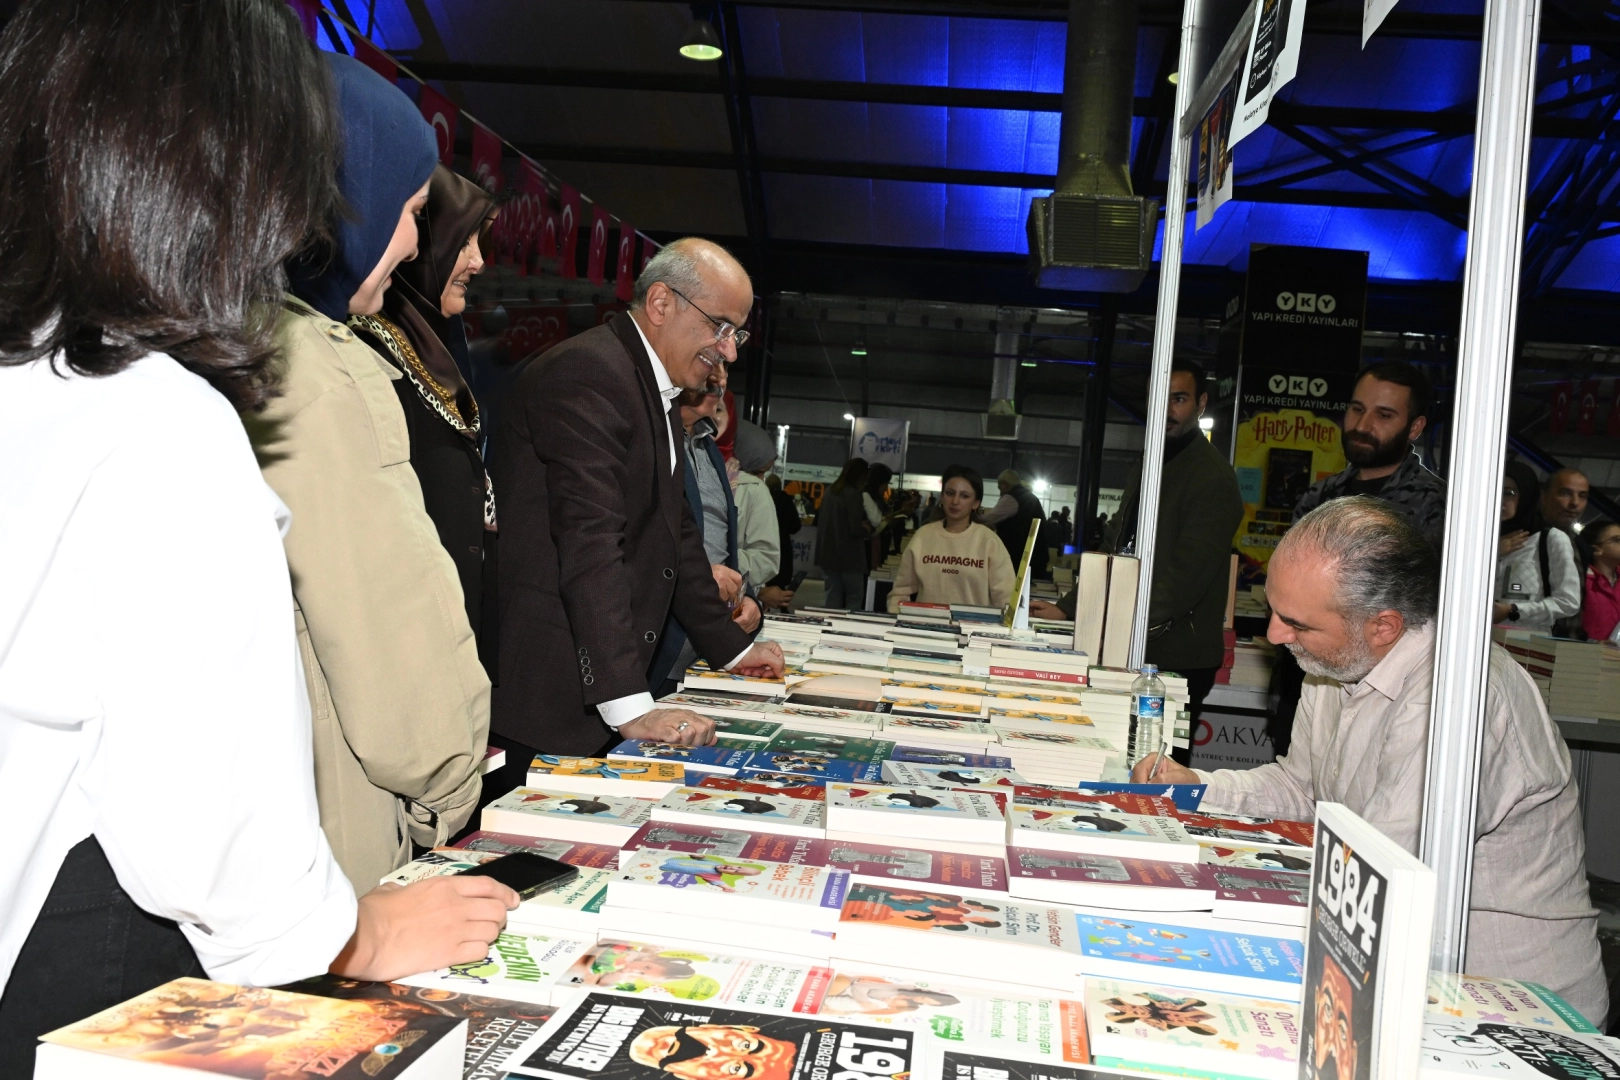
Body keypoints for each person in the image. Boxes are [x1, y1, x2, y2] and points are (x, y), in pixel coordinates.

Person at [0, 0, 515, 1062]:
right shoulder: (157, 416)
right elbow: (202, 816)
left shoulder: (40, 365)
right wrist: (353, 930)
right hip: (94, 961)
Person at [1133, 498, 1607, 1023]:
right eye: (1274, 610)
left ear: (1383, 626)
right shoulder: (1336, 662)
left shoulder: (1455, 701)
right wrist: (1194, 786)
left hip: (1506, 1007)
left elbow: (1377, 873)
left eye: (1297, 623)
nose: (1273, 635)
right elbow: (1303, 790)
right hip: (1409, 970)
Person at [260, 53, 489, 890]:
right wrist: (452, 781)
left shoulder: (189, 336)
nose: (412, 244)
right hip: (326, 826)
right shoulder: (313, 366)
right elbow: (383, 612)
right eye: (412, 211)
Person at [488, 238, 784, 770]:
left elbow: (678, 538)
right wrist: (628, 705)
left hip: (596, 691)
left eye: (736, 333)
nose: (730, 351)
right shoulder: (589, 373)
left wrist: (732, 649)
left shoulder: (651, 387)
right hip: (549, 693)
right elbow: (590, 544)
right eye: (721, 328)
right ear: (662, 303)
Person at [1033, 361, 1243, 763]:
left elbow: (1186, 577)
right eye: (1157, 399)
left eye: (1178, 399)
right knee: (1114, 759)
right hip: (1133, 642)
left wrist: (1117, 624)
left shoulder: (1213, 478)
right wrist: (1070, 606)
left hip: (1176, 656)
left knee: (1159, 769)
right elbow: (1117, 542)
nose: (1165, 410)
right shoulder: (1150, 462)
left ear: (1200, 404)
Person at [350, 164, 497, 654]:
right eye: (465, 241)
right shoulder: (363, 351)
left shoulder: (440, 347)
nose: (479, 261)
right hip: (400, 638)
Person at [645, 376, 762, 694]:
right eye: (709, 368)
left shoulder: (706, 447)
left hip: (705, 655)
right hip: (655, 654)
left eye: (725, 371)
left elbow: (720, 546)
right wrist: (699, 576)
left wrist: (747, 601)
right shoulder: (650, 441)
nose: (721, 379)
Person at [1293, 360, 1445, 545]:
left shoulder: (1435, 504)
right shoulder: (1319, 496)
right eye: (1357, 409)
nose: (1362, 426)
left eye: (1383, 415)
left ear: (1414, 428)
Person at [887, 465, 1015, 612]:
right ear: (942, 496)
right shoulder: (923, 536)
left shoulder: (989, 542)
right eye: (950, 493)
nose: (955, 501)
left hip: (972, 631)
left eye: (964, 496)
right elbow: (899, 593)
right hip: (924, 629)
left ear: (976, 503)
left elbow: (1006, 600)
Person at [1495, 460, 1580, 633]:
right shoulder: (1476, 540)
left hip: (1527, 649)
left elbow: (1568, 601)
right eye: (1493, 489)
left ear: (1527, 495)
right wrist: (1491, 555)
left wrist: (1513, 610)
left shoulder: (1550, 539)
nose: (1499, 499)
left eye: (1509, 493)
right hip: (1475, 644)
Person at [732, 420, 784, 595]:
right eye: (756, 472)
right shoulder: (753, 489)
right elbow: (765, 559)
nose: (760, 480)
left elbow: (765, 558)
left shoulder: (753, 489)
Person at [1539, 467, 1592, 634]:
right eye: (1565, 493)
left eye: (1582, 496)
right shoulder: (1526, 538)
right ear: (1544, 497)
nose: (1574, 503)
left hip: (1567, 647)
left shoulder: (1582, 547)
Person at [816, 457, 874, 609]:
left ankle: (829, 629)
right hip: (850, 558)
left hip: (828, 556)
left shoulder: (830, 491)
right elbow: (854, 529)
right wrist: (866, 529)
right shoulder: (853, 494)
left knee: (832, 597)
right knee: (854, 598)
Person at [981, 469, 1048, 576]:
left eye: (1000, 488)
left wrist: (972, 514)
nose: (1000, 493)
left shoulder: (1011, 498)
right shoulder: (1031, 498)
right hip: (1035, 557)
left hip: (1017, 557)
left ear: (1005, 484)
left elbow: (989, 519)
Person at [763, 473, 802, 609]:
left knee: (765, 580)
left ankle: (763, 606)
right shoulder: (786, 500)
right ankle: (782, 606)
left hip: (765, 543)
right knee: (781, 579)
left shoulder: (763, 498)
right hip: (783, 546)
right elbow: (796, 526)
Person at [1582, 521, 1620, 642]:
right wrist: (1593, 643)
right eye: (1617, 540)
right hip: (1583, 656)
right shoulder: (1582, 581)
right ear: (1597, 549)